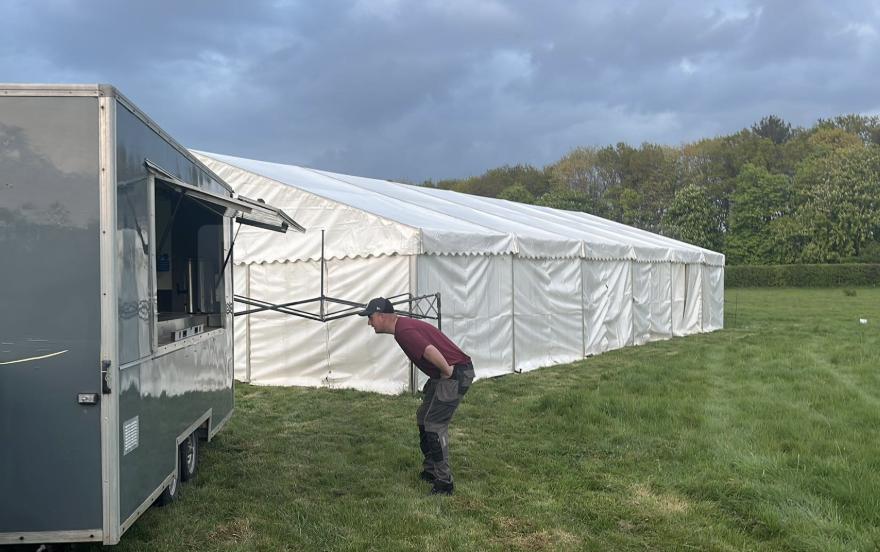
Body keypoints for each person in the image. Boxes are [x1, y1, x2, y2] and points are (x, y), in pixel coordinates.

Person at [358, 297, 475, 496]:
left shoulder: (403, 331)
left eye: (370, 318)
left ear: (381, 315)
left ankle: (444, 483)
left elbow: (429, 350)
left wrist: (446, 371)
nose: (369, 323)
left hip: (457, 372)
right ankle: (431, 470)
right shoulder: (402, 328)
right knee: (423, 417)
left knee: (434, 424)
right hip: (448, 373)